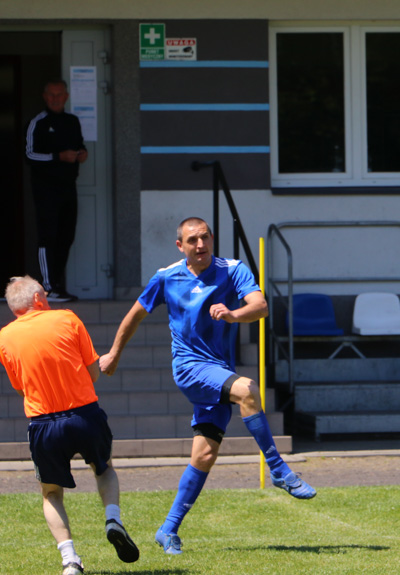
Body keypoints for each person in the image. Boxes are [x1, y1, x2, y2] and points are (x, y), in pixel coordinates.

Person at [99, 217, 316, 555]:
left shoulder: (232, 270)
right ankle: (279, 469)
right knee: (247, 389)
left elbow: (259, 307)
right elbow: (135, 315)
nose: (200, 245)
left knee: (205, 453)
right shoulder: (166, 276)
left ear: (212, 239)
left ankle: (168, 529)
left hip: (218, 370)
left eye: (205, 238)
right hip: (189, 368)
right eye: (192, 240)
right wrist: (114, 353)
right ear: (180, 246)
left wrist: (233, 314)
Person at [0, 276, 138, 575]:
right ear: (37, 300)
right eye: (45, 297)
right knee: (104, 468)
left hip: (43, 423)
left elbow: (21, 387)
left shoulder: (5, 337)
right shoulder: (67, 319)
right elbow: (93, 373)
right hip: (85, 414)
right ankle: (112, 518)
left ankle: (70, 560)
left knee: (51, 494)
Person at [25, 79, 88, 302]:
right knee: (48, 237)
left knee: (66, 236)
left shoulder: (72, 121)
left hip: (68, 188)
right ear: (44, 96)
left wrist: (82, 154)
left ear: (66, 97)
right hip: (45, 190)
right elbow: (29, 155)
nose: (55, 99)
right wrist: (58, 157)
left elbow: (81, 146)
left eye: (59, 95)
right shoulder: (38, 122)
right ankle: (48, 288)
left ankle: (57, 285)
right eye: (51, 95)